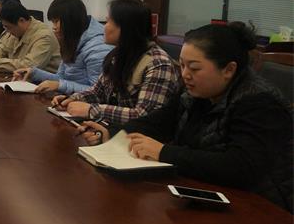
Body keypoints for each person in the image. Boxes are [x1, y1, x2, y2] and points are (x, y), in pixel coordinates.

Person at [80, 22, 293, 212]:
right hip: (206, 192)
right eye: (182, 65)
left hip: (263, 210)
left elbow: (240, 167)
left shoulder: (260, 103)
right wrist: (112, 133)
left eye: (194, 68)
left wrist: (163, 152)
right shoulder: (198, 90)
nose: (185, 74)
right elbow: (159, 122)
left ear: (228, 70)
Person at [52, 0, 179, 125]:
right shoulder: (117, 55)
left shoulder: (158, 64)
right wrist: (73, 99)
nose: (104, 27)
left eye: (108, 22)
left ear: (125, 27)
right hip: (113, 129)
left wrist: (92, 110)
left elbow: (144, 116)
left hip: (137, 135)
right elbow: (97, 92)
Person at [13, 0, 113, 94]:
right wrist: (33, 73)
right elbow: (61, 78)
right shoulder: (73, 38)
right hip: (70, 99)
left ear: (70, 20)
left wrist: (60, 86)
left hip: (83, 103)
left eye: (56, 21)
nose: (54, 27)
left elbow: (99, 93)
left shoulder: (98, 48)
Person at [0, 0, 61, 73]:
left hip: (42, 84)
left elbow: (30, 65)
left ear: (21, 20)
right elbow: (1, 51)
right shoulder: (14, 31)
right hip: (19, 79)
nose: (7, 31)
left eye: (8, 27)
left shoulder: (44, 36)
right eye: (5, 27)